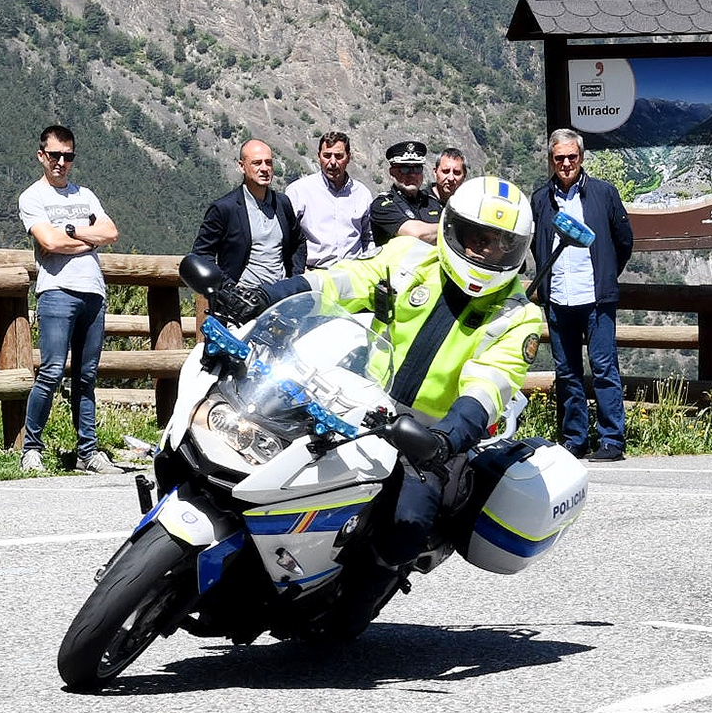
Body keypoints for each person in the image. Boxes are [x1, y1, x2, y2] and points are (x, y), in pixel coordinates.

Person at [242, 176, 544, 630]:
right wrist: (264, 295)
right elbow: (341, 281)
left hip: (426, 433)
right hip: (349, 393)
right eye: (478, 238)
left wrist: (447, 438)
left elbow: (490, 385)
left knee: (407, 524)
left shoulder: (518, 317)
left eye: (502, 245)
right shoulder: (409, 257)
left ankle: (355, 603)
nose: (485, 252)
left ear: (518, 251)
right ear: (452, 227)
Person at [17, 124, 119, 474]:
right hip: (57, 291)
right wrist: (87, 239)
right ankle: (31, 448)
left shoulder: (86, 194)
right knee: (51, 371)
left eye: (68, 156)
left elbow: (111, 232)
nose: (61, 162)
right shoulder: (32, 197)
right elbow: (50, 243)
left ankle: (87, 452)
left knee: (87, 376)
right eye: (55, 155)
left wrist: (73, 232)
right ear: (41, 155)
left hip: (93, 291)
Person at [530, 130, 633, 462]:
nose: (566, 163)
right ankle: (574, 439)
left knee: (604, 367)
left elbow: (623, 241)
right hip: (559, 298)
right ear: (551, 160)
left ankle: (612, 440)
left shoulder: (604, 194)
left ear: (581, 157)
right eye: (559, 158)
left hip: (596, 297)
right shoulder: (540, 199)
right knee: (567, 372)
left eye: (571, 157)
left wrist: (605, 273)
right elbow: (536, 245)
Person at [193, 139, 305, 288]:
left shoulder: (282, 204)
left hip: (280, 301)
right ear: (242, 166)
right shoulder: (224, 209)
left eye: (269, 162)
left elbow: (298, 241)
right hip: (241, 302)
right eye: (257, 163)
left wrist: (294, 279)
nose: (265, 168)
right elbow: (201, 255)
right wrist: (227, 288)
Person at [285, 131, 372, 268]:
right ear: (319, 156)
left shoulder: (362, 193)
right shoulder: (298, 191)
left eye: (339, 156)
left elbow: (368, 237)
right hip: (314, 274)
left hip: (353, 275)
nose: (332, 162)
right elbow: (286, 237)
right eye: (327, 156)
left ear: (348, 158)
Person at [369, 140, 443, 247]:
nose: (412, 175)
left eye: (417, 168)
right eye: (405, 169)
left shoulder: (433, 203)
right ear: (392, 172)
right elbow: (418, 234)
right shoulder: (382, 205)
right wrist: (451, 228)